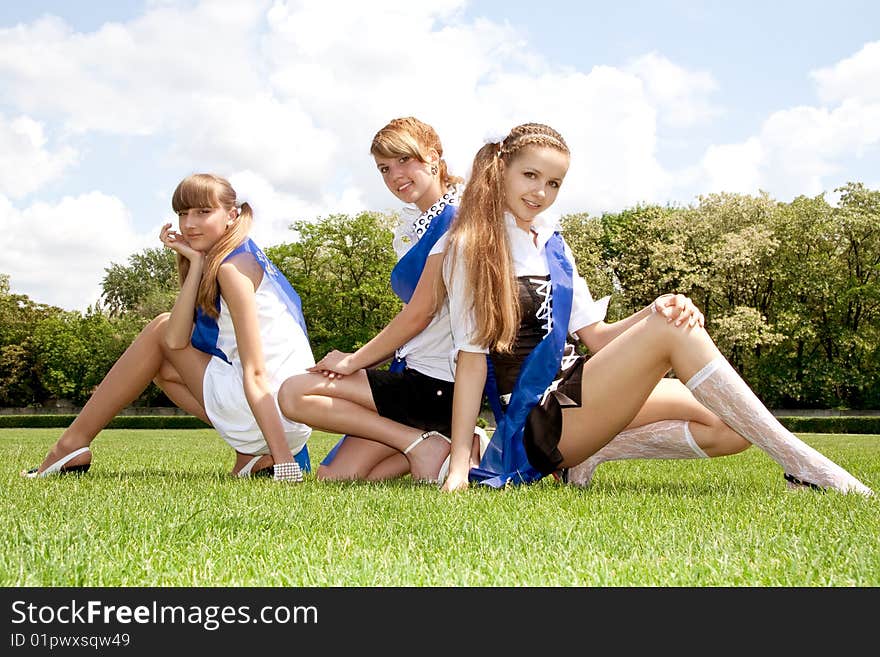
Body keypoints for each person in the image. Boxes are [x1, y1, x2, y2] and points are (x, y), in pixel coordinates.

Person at [437, 122, 873, 496]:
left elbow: (598, 337)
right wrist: (460, 466)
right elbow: (472, 360)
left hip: (575, 389)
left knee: (731, 424)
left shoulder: (553, 244)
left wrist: (652, 310)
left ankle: (587, 456)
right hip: (533, 421)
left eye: (553, 183)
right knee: (673, 331)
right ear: (500, 173)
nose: (541, 192)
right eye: (530, 175)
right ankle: (807, 467)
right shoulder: (471, 247)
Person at [22, 173, 314, 482]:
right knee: (163, 368)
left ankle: (69, 445)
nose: (189, 224)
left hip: (277, 414)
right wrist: (196, 263)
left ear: (231, 215)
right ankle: (250, 457)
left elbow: (254, 372)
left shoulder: (232, 270)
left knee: (161, 326)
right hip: (289, 416)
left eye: (203, 212)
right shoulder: (244, 255)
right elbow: (176, 342)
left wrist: (285, 461)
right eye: (182, 213)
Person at [278, 117, 486, 483]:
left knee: (294, 393)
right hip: (412, 375)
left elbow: (420, 314)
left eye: (404, 160)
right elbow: (414, 318)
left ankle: (428, 443)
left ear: (433, 158)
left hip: (439, 382)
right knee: (334, 477)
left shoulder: (456, 221)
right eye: (384, 169)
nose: (394, 176)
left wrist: (352, 361)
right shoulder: (418, 226)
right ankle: (440, 442)